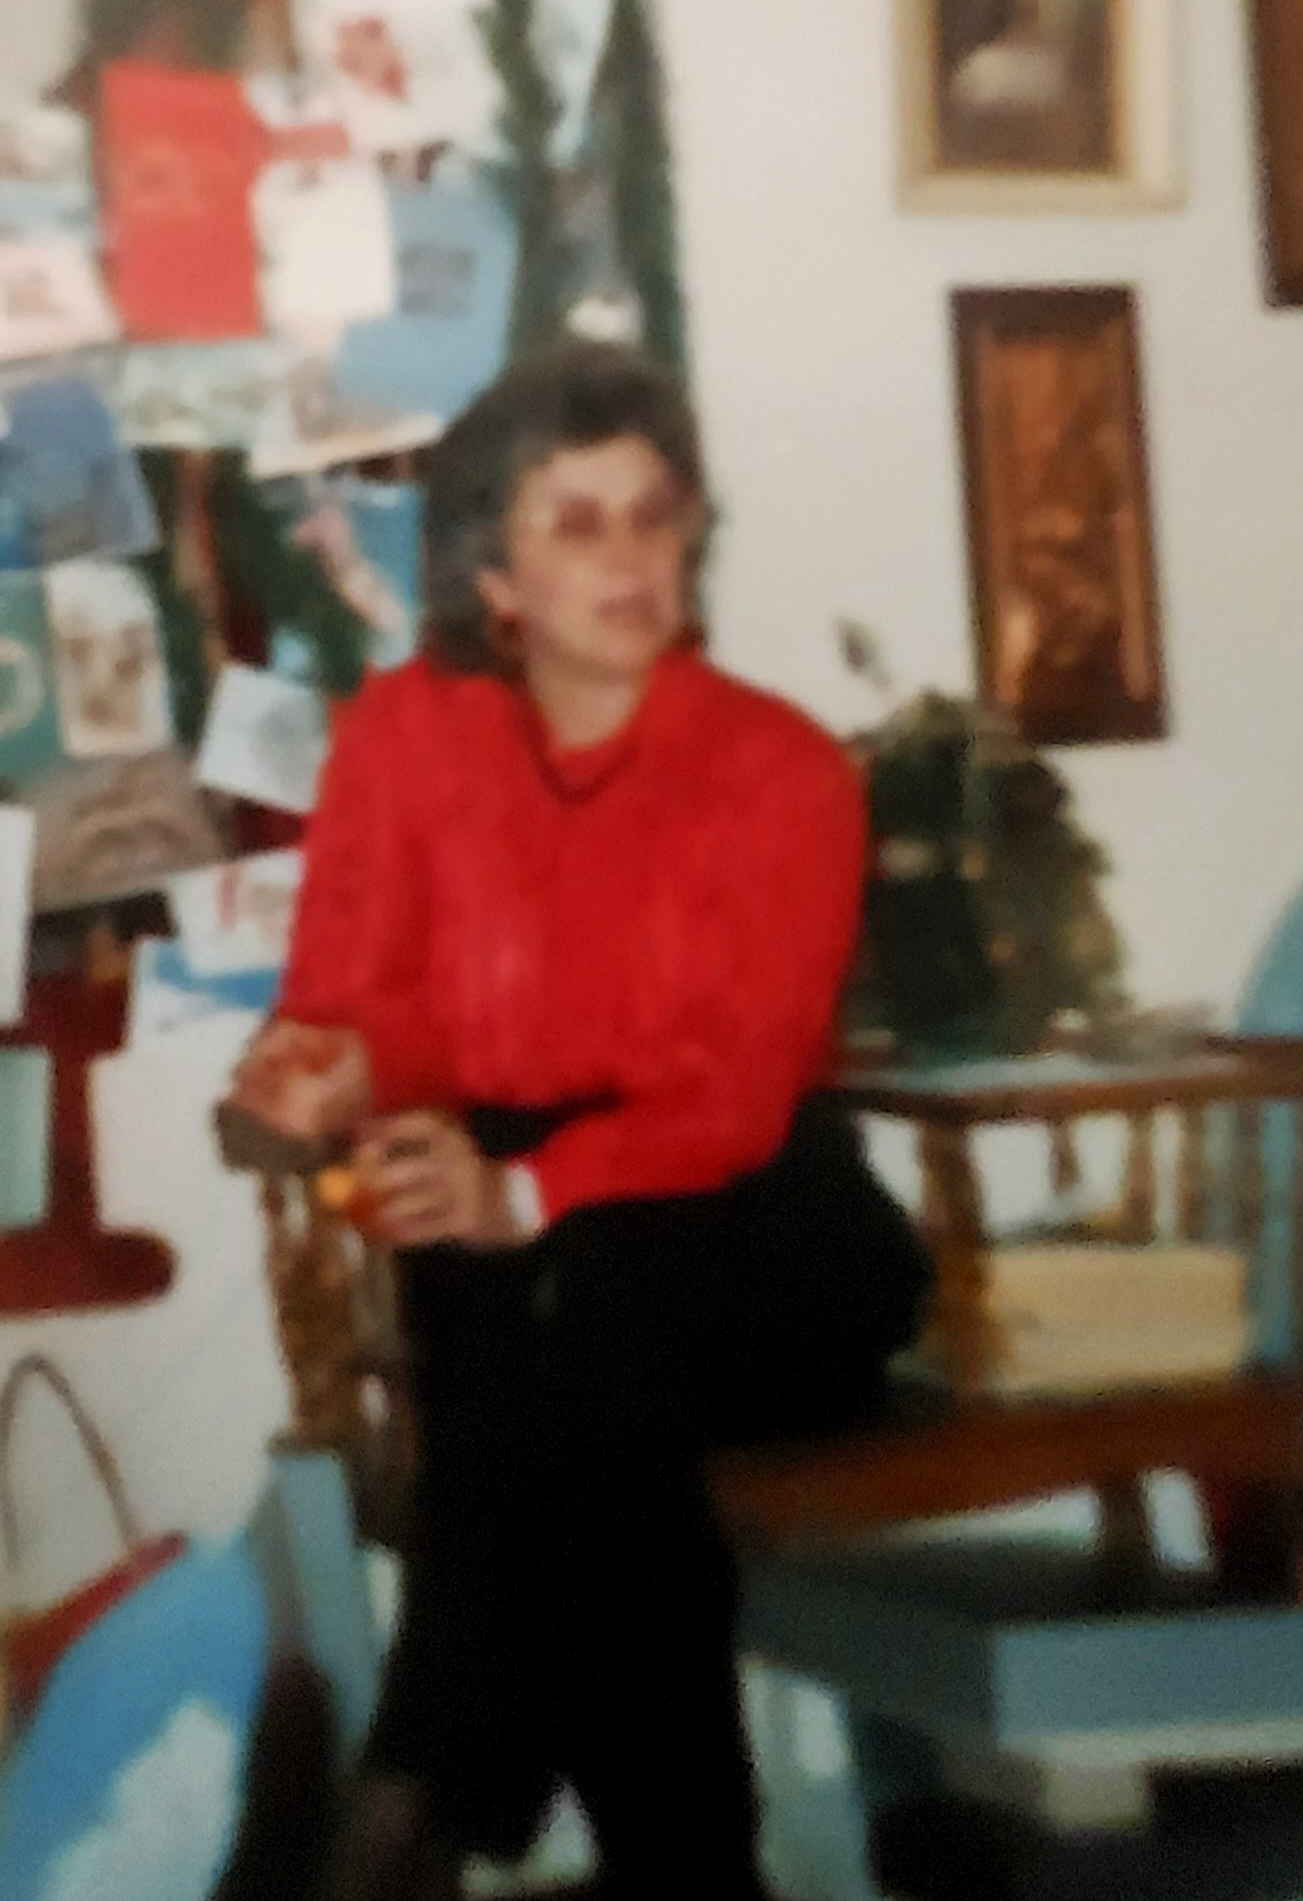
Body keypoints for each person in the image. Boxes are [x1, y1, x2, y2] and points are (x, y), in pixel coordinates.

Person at [223, 340, 933, 1901]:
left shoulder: (778, 770)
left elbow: (737, 1100)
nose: (630, 558)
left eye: (655, 518)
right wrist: (322, 1077)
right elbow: (360, 1003)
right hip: (519, 1254)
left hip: (767, 1232)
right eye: (579, 522)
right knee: (576, 1406)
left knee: (562, 1331)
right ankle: (667, 1872)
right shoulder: (408, 741)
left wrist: (523, 1194)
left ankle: (403, 1811)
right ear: (493, 573)